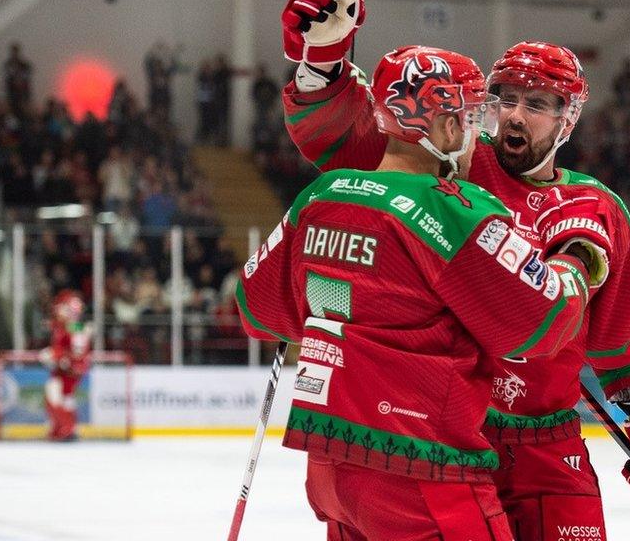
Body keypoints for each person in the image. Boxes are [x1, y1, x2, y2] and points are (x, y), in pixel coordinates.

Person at [278, 0, 630, 539]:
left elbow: (617, 343)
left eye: (539, 104)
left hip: (548, 447)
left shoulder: (600, 207)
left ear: (568, 119)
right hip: (449, 436)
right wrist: (320, 67)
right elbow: (342, 141)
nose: (517, 116)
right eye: (507, 99)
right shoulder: (450, 163)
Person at [238, 44, 601, 540]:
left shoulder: (321, 195)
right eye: (472, 118)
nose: (479, 135)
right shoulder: (454, 209)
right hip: (423, 473)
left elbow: (258, 310)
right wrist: (576, 262)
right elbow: (539, 325)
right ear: (447, 127)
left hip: (330, 467)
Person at [37, 290, 92, 441]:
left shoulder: (74, 327)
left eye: (61, 307)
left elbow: (76, 352)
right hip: (64, 369)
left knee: (58, 396)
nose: (57, 310)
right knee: (63, 398)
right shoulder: (65, 325)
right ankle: (64, 428)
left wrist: (55, 355)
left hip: (69, 370)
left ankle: (66, 428)